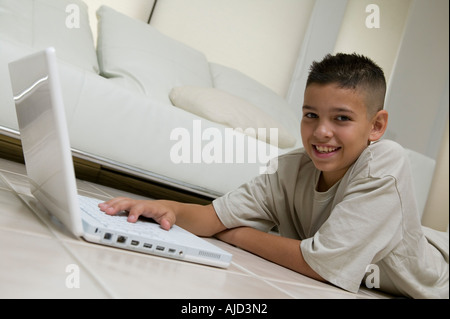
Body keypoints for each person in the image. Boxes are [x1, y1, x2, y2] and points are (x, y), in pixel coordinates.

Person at [98, 53, 449, 298]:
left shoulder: (385, 161)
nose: (321, 131)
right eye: (311, 115)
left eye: (341, 118)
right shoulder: (289, 168)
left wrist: (238, 235)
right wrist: (164, 207)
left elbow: (321, 266)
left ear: (376, 125)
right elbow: (211, 216)